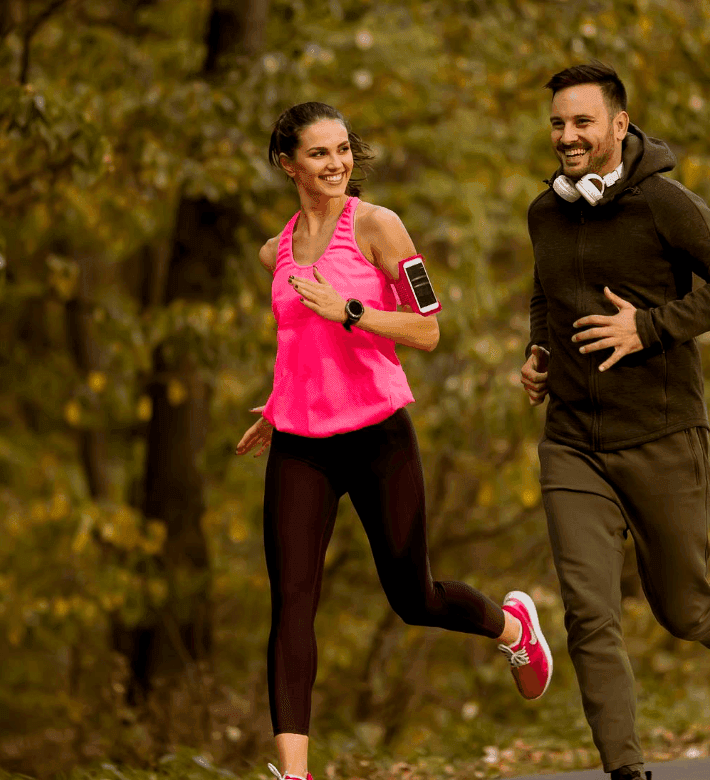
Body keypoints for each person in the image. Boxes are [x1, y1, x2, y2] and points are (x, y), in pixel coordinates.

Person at [235, 102, 552, 780]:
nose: (336, 163)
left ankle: (512, 628)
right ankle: (295, 775)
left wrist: (349, 310)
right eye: (318, 153)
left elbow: (428, 330)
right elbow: (295, 343)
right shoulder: (275, 251)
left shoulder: (378, 227)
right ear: (288, 164)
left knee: (414, 598)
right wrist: (276, 403)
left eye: (343, 148)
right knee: (291, 601)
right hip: (301, 442)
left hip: (379, 434)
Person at [519, 62, 710, 780]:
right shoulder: (543, 211)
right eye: (557, 124)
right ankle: (626, 771)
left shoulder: (665, 204)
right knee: (588, 615)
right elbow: (546, 290)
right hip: (572, 442)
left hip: (661, 436)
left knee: (680, 608)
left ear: (617, 126)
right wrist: (537, 351)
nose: (566, 136)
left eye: (581, 123)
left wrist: (651, 328)